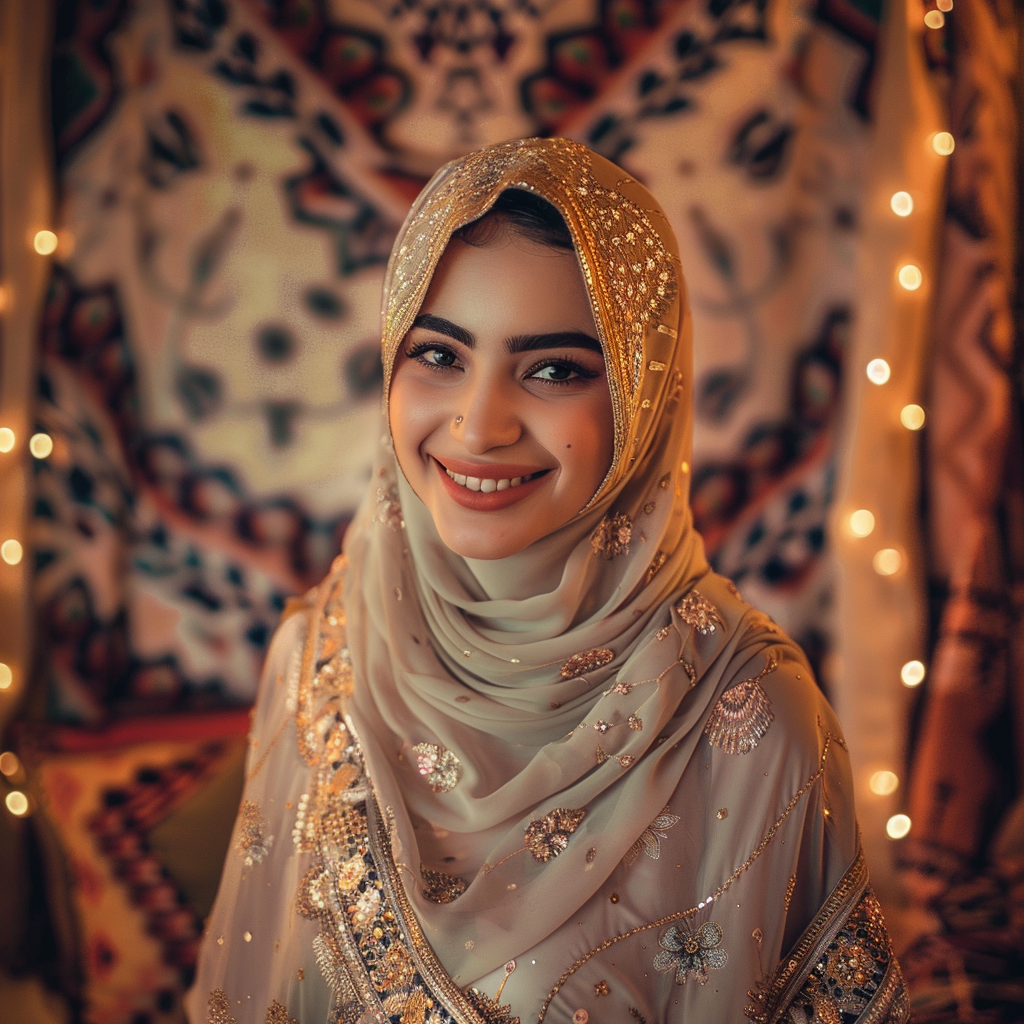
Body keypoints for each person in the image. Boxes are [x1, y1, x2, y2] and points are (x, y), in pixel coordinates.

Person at [186, 137, 908, 1024]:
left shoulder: (753, 720)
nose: (479, 425)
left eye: (555, 370)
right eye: (441, 355)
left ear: (643, 400)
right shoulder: (317, 659)